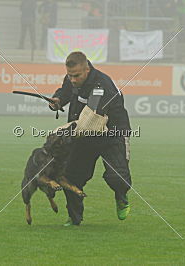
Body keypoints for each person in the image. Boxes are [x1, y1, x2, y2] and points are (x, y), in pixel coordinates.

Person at [49, 51, 132, 226]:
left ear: (87, 69)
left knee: (117, 177)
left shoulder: (102, 85)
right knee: (70, 178)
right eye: (70, 75)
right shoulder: (71, 78)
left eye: (76, 76)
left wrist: (64, 133)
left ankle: (121, 195)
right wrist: (57, 100)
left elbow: (91, 117)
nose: (72, 79)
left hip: (111, 133)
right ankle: (74, 217)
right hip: (85, 135)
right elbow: (65, 91)